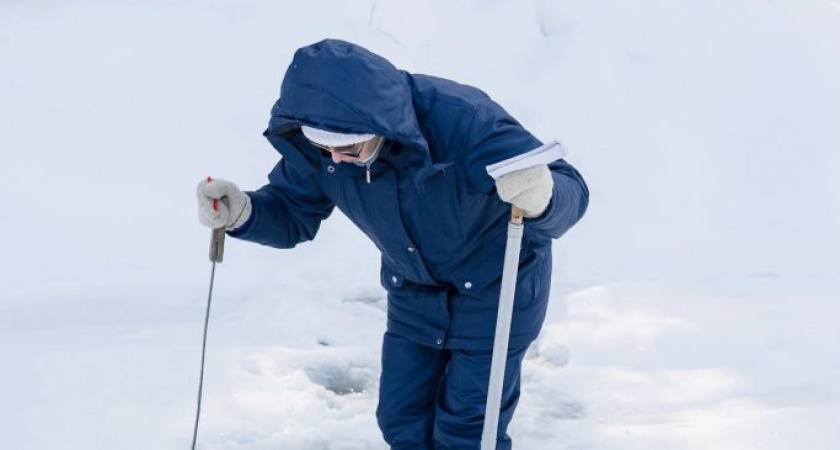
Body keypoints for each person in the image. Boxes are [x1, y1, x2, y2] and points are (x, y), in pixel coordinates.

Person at [196, 39, 588, 450]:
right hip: (414, 291)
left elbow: (568, 185)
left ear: (380, 126)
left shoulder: (463, 120)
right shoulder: (322, 150)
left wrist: (544, 196)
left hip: (496, 291)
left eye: (348, 148)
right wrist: (244, 213)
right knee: (402, 422)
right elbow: (292, 210)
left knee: (468, 433)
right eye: (322, 146)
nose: (335, 158)